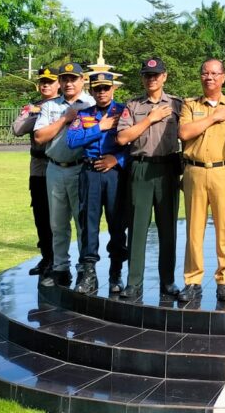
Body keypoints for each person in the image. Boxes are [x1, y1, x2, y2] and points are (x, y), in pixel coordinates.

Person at [177, 59, 225, 304]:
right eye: (205, 73)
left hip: (223, 171)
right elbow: (184, 133)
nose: (210, 77)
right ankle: (193, 280)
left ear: (223, 77)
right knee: (194, 229)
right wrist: (214, 117)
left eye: (215, 73)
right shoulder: (190, 105)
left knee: (224, 229)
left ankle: (224, 280)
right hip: (194, 171)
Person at [114, 57, 182, 302]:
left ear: (164, 76)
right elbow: (122, 138)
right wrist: (149, 119)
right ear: (142, 78)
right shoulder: (133, 105)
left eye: (156, 75)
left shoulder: (177, 104)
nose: (151, 79)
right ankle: (134, 283)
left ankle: (168, 281)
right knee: (138, 228)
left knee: (168, 228)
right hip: (141, 168)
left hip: (168, 169)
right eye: (147, 75)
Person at [66, 71, 128, 295]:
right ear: (91, 91)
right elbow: (72, 140)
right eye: (97, 88)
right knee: (88, 224)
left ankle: (116, 273)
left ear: (113, 89)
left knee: (117, 224)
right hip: (90, 172)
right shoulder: (84, 115)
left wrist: (117, 159)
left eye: (106, 88)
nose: (102, 92)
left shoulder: (124, 112)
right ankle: (89, 274)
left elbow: (135, 143)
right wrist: (98, 128)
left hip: (114, 174)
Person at [33, 62, 94, 287]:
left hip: (81, 168)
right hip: (55, 167)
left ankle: (84, 269)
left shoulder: (91, 104)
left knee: (82, 222)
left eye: (73, 78)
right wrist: (64, 119)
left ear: (82, 80)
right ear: (60, 82)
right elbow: (40, 137)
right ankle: (60, 268)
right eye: (65, 79)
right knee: (57, 223)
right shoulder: (51, 106)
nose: (69, 83)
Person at [10, 65, 59, 276]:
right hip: (38, 168)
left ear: (58, 84)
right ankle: (46, 256)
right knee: (40, 214)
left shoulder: (63, 106)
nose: (45, 85)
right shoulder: (34, 107)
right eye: (43, 82)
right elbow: (17, 129)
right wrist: (36, 115)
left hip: (58, 165)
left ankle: (58, 259)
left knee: (57, 216)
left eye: (50, 82)